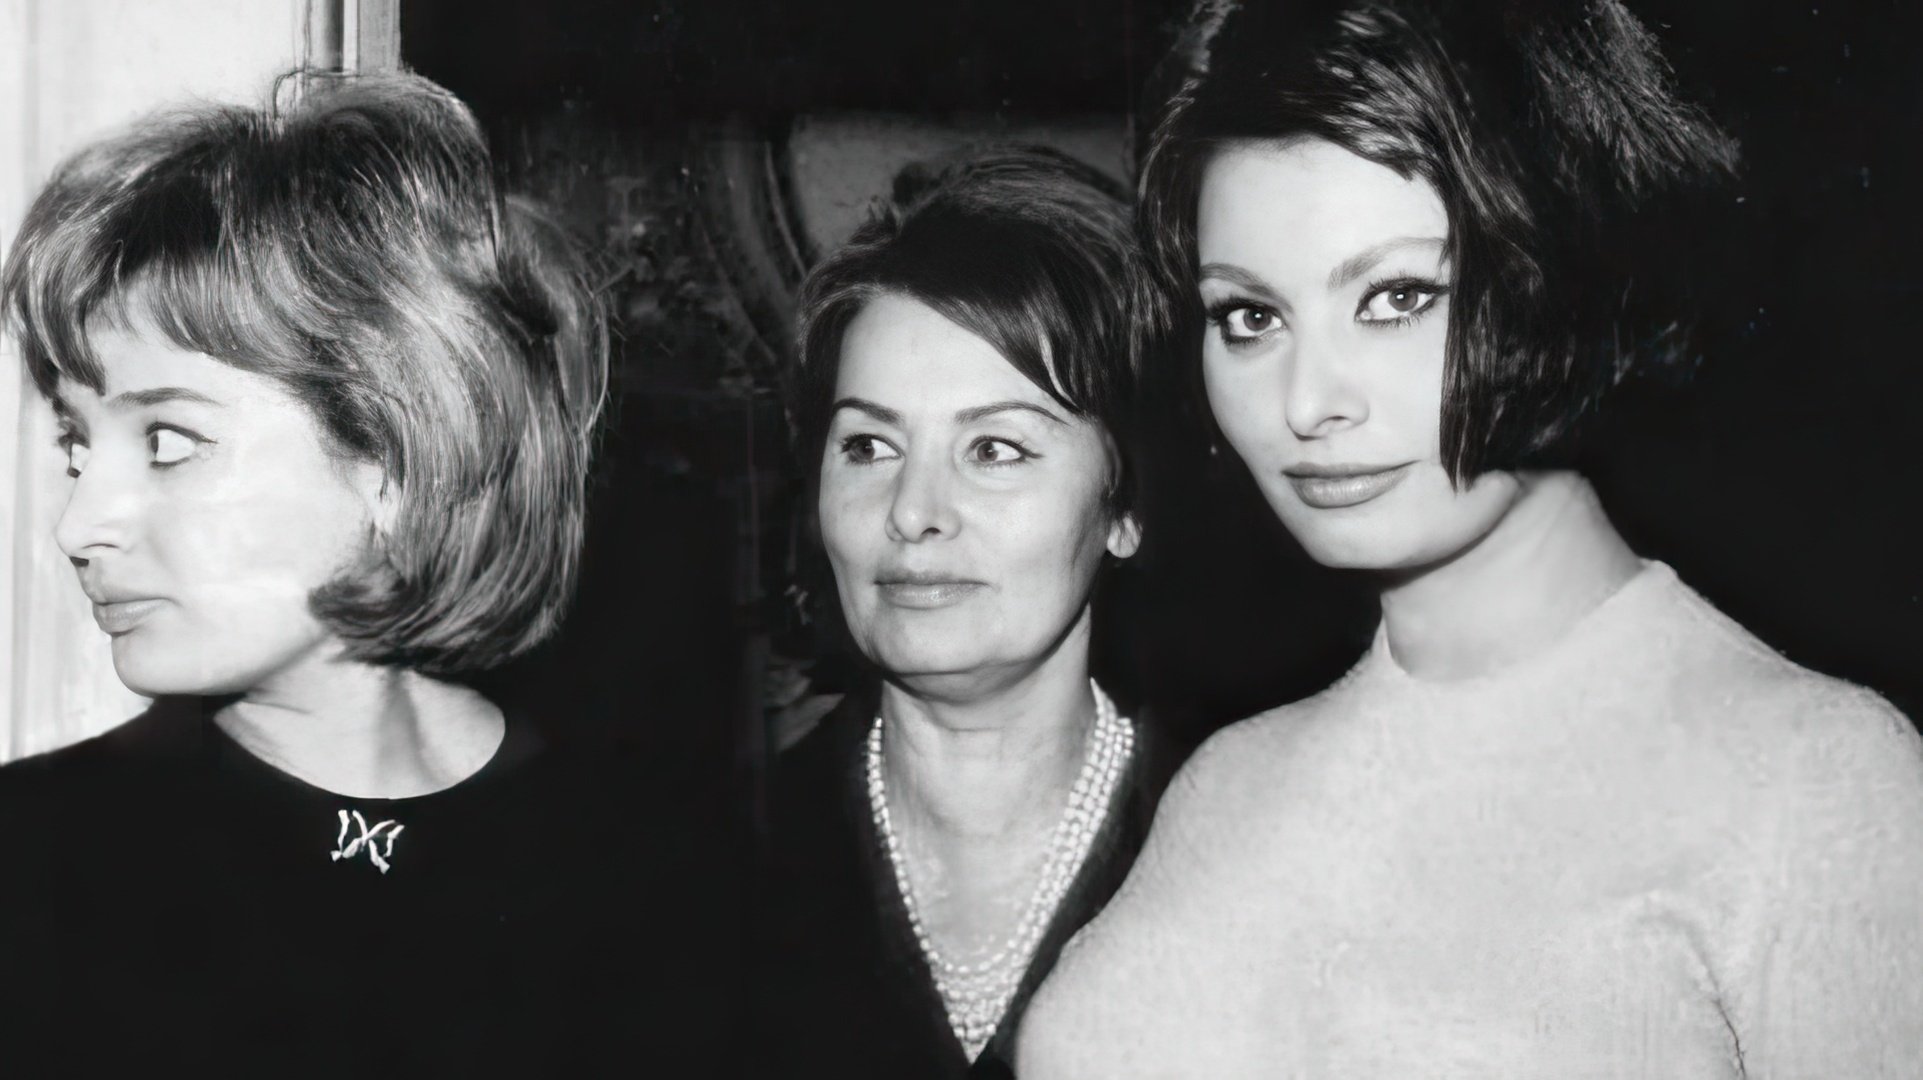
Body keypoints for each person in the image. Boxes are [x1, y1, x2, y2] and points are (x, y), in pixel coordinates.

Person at [1020, 2, 1923, 1076]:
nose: (1307, 402)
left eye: (1398, 297)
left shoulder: (1816, 784)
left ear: (1571, 277)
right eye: (1250, 318)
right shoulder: (1226, 783)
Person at [0, 71, 736, 1075]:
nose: (82, 524)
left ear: (393, 460)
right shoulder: (33, 863)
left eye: (168, 440)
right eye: (79, 446)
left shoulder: (659, 878)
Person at [754, 147, 1177, 1078]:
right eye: (867, 444)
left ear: (1126, 506)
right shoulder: (708, 865)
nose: (912, 512)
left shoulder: (1232, 843)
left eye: (994, 450)